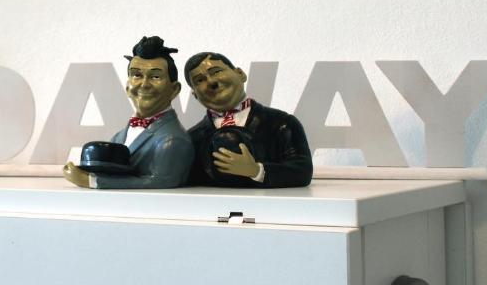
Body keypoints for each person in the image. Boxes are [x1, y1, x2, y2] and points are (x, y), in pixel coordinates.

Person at [63, 36, 194, 189]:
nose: (144, 84)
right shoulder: (119, 136)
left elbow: (161, 182)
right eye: (137, 75)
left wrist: (92, 181)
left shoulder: (173, 140)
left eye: (155, 76)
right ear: (127, 87)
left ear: (174, 89)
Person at [184, 52, 313, 188]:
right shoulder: (192, 139)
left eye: (216, 71)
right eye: (200, 80)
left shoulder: (282, 124)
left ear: (240, 74)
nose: (211, 82)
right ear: (195, 95)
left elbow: (302, 171)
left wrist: (256, 171)